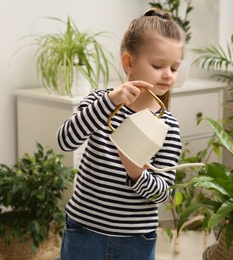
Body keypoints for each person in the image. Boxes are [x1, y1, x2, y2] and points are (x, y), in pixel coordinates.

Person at [57, 8, 185, 260]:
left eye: (174, 67)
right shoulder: (99, 102)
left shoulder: (168, 126)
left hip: (136, 240)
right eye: (158, 65)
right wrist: (109, 102)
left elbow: (162, 192)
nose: (168, 75)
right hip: (84, 231)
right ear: (129, 63)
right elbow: (65, 140)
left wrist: (137, 173)